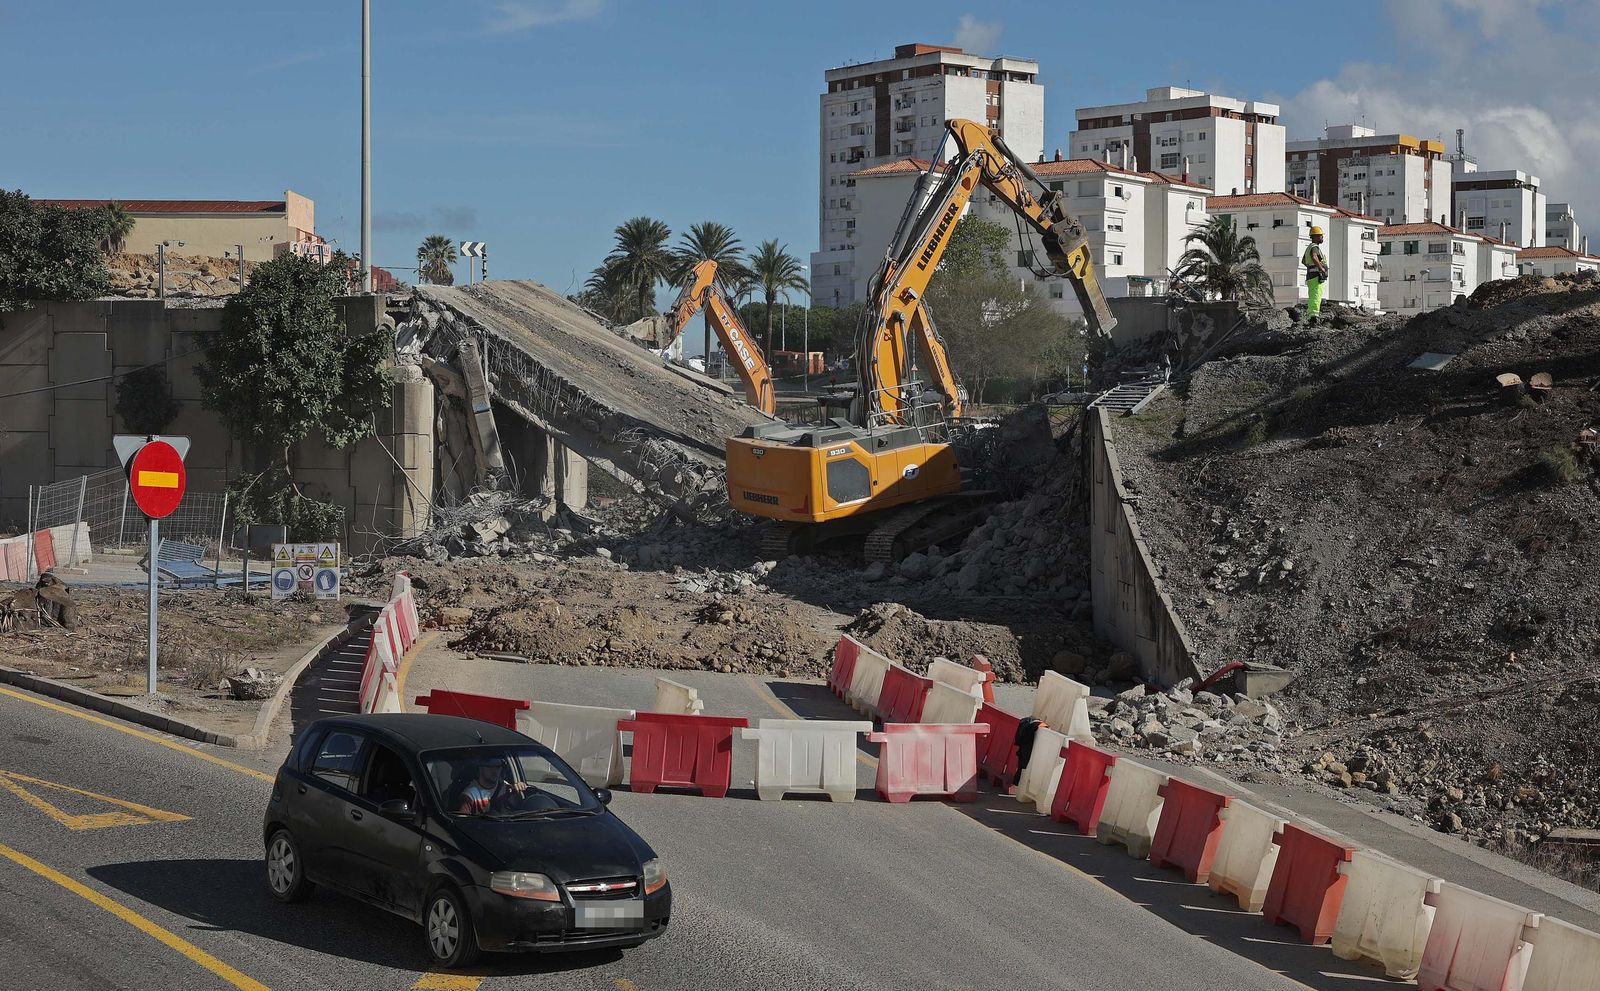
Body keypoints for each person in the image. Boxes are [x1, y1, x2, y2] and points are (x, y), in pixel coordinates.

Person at [458, 756, 529, 815]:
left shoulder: (506, 788)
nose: (495, 770)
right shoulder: (470, 795)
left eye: (498, 766)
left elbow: (517, 807)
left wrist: (519, 789)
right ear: (481, 768)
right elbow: (461, 821)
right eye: (490, 766)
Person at [1303, 226, 1331, 324]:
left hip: (1310, 275)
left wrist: (1311, 267)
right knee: (1316, 295)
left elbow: (1304, 261)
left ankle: (1312, 315)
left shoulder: (1309, 248)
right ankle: (1314, 316)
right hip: (1315, 275)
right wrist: (1321, 268)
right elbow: (1314, 257)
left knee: (1313, 295)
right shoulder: (1314, 247)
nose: (1322, 238)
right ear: (1315, 237)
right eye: (1320, 236)